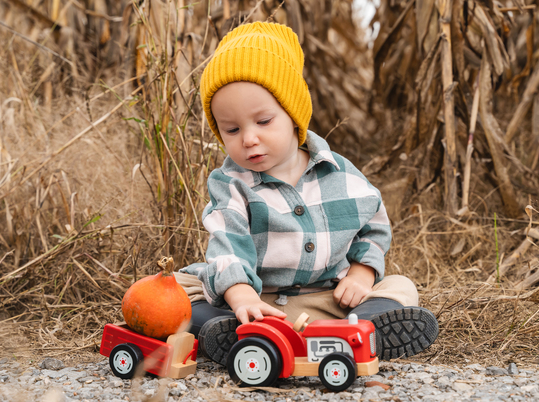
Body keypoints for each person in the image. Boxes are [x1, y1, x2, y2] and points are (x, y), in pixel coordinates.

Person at [175, 21, 439, 365]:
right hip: (258, 302)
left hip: (330, 300)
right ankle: (229, 329)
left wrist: (361, 274)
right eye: (232, 129)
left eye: (263, 121)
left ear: (294, 114)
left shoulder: (339, 173)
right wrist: (240, 296)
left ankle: (363, 328)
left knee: (401, 287)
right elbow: (228, 243)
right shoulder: (230, 183)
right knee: (179, 288)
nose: (249, 138)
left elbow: (373, 227)